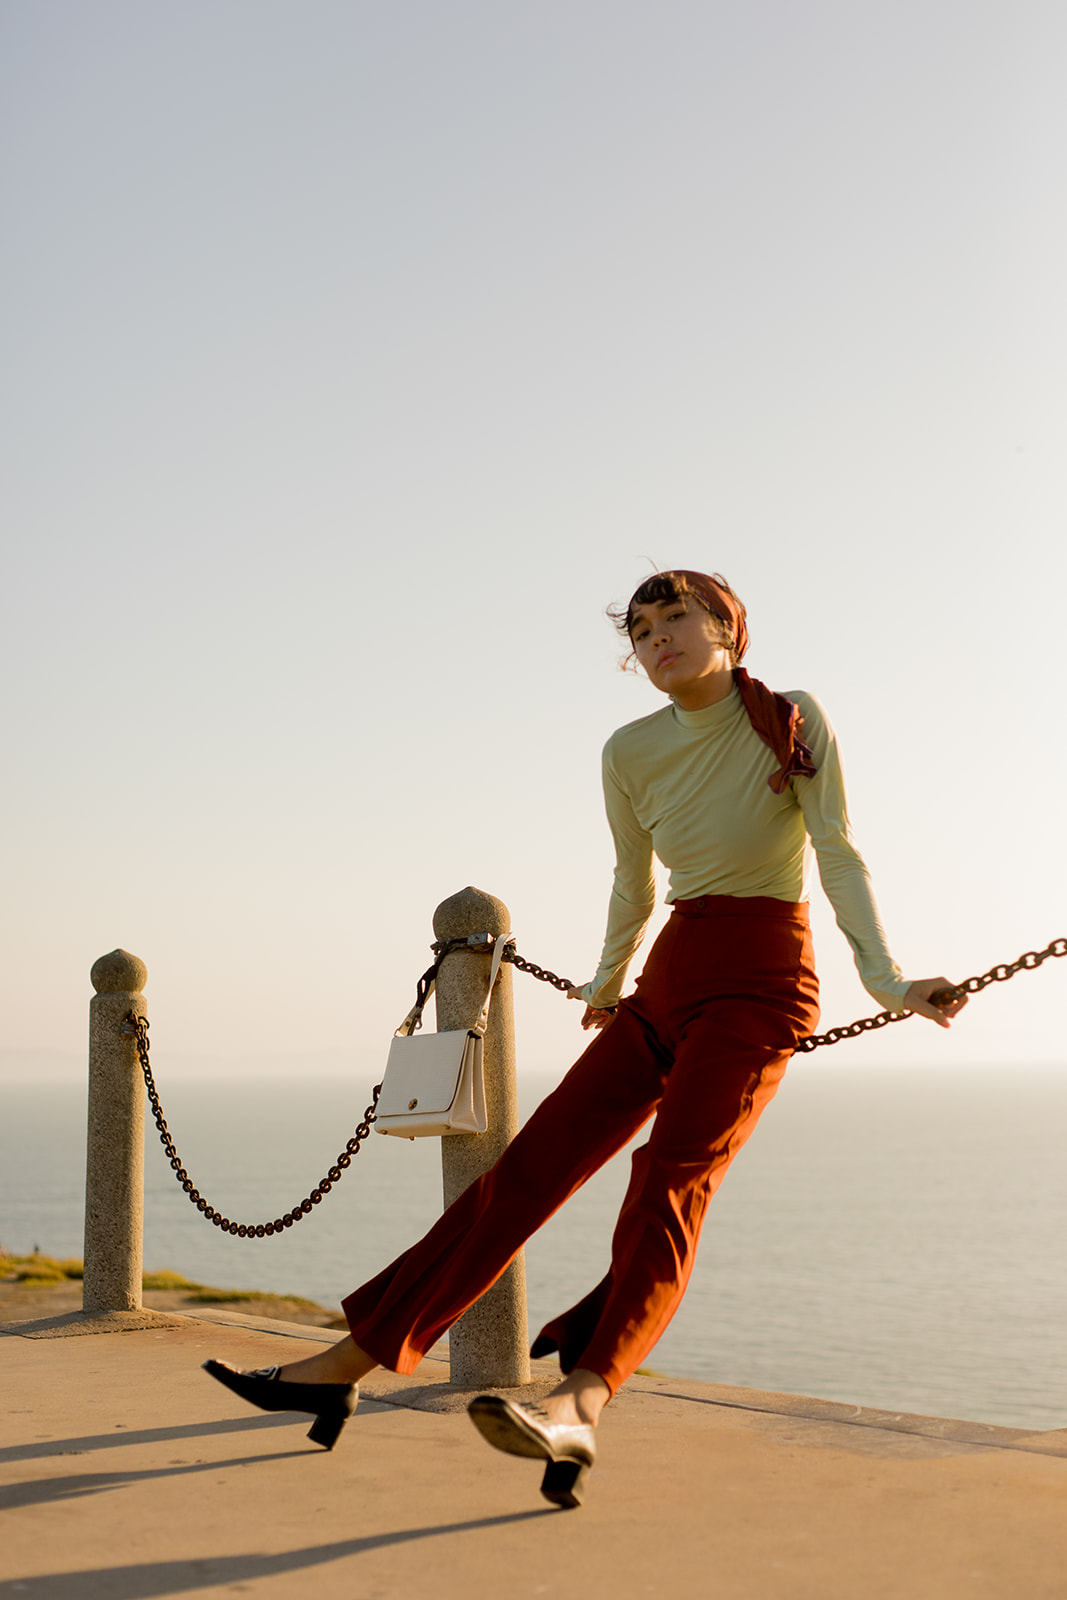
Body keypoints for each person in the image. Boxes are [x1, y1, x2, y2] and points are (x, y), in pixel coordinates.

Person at [204, 568, 965, 1508]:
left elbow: (837, 850)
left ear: (726, 625)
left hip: (764, 977)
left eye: (675, 618)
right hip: (668, 975)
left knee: (668, 1180)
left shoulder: (791, 716)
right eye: (640, 631)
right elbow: (632, 879)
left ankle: (582, 1399)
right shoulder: (628, 749)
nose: (657, 640)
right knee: (526, 1172)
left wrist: (889, 982)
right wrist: (609, 985)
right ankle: (348, 1362)